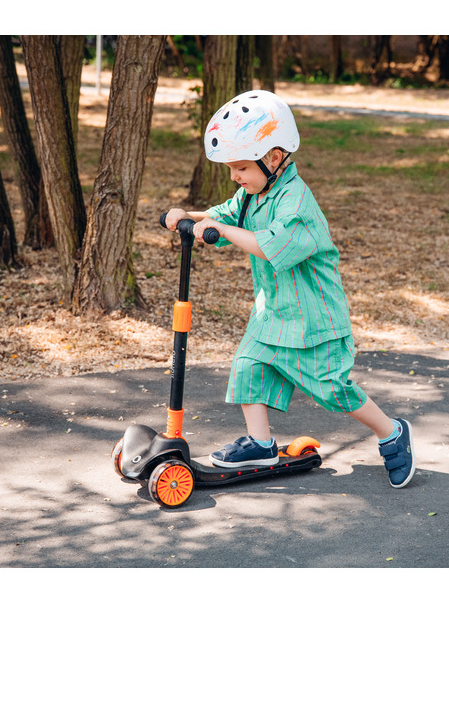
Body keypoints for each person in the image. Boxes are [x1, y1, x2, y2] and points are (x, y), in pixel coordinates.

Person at [163, 90, 415, 489]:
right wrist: (187, 216)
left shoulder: (296, 204)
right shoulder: (254, 193)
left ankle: (391, 432)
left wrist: (221, 229)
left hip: (313, 318)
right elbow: (222, 215)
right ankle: (261, 443)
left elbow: (267, 245)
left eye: (241, 167)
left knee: (332, 389)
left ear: (274, 157)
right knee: (249, 367)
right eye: (231, 169)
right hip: (274, 312)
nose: (235, 177)